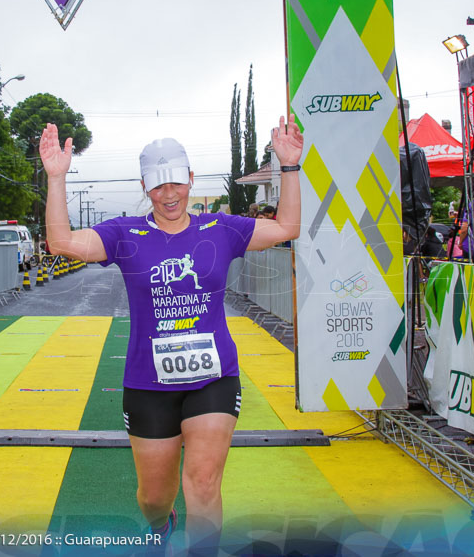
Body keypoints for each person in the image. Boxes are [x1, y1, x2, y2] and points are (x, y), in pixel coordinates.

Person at [39, 117, 303, 553]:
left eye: (177, 183)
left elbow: (287, 228)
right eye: (159, 186)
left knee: (202, 483)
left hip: (214, 379)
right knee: (154, 498)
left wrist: (290, 168)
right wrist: (56, 178)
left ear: (190, 180)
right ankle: (161, 522)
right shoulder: (124, 234)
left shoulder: (221, 229)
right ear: (145, 186)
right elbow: (62, 243)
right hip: (148, 385)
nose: (169, 195)